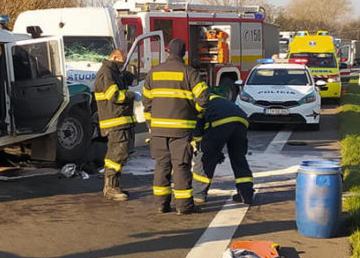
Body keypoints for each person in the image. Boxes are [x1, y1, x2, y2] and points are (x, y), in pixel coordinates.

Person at [143, 38, 210, 214]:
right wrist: (195, 112)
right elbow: (203, 97)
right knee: (181, 167)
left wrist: (151, 124)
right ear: (184, 53)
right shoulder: (189, 72)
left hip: (157, 130)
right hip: (181, 130)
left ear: (168, 52)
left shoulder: (153, 72)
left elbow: (146, 102)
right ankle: (184, 207)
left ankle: (161, 205)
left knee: (161, 166)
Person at [192, 92, 254, 205]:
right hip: (241, 121)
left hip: (220, 122)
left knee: (205, 159)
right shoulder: (218, 99)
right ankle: (246, 194)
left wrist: (199, 145)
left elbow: (198, 127)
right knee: (239, 158)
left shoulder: (199, 102)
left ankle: (198, 195)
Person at [94, 49, 137, 201]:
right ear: (114, 57)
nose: (123, 64)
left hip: (119, 121)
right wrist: (132, 95)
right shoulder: (107, 73)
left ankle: (114, 185)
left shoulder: (113, 72)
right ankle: (110, 187)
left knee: (120, 154)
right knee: (117, 154)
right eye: (121, 61)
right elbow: (114, 96)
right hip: (115, 121)